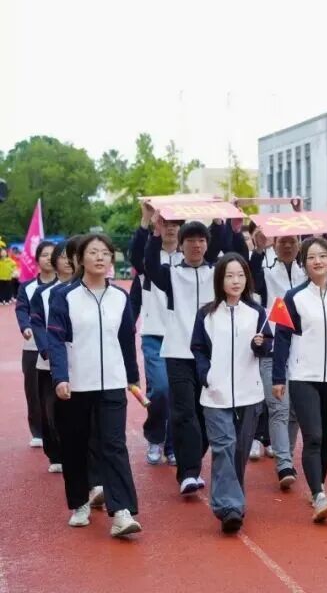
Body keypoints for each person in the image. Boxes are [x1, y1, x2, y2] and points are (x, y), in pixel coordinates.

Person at [46, 235, 142, 537]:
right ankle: (79, 503)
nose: (100, 257)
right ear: (81, 259)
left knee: (114, 445)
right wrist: (60, 377)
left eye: (105, 253)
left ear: (111, 260)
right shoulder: (65, 296)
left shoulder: (120, 297)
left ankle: (122, 512)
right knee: (75, 445)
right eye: (93, 252)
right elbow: (55, 340)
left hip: (112, 383)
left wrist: (132, 377)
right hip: (76, 384)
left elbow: (126, 340)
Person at [143, 216, 235, 496]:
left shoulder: (217, 273)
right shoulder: (170, 274)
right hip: (178, 353)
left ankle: (190, 460)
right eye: (191, 240)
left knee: (205, 413)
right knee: (184, 413)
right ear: (180, 245)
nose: (196, 245)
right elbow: (148, 263)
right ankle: (189, 473)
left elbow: (230, 250)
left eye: (201, 240)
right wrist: (154, 232)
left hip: (212, 355)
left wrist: (220, 223)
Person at [273, 237, 327, 521]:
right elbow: (282, 338)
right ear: (304, 263)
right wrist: (278, 377)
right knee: (313, 436)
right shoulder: (294, 297)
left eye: (322, 256)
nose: (317, 261)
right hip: (304, 376)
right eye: (311, 257)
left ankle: (318, 486)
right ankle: (319, 494)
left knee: (326, 437)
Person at [191, 253, 272, 533]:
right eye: (229, 275)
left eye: (240, 275)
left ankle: (232, 501)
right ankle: (229, 507)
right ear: (220, 280)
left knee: (238, 451)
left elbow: (267, 347)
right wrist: (206, 376)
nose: (235, 281)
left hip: (250, 393)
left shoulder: (257, 312)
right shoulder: (207, 314)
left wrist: (260, 344)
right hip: (215, 394)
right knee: (223, 445)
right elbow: (198, 349)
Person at [250, 232, 304, 489]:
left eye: (292, 241)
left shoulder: (307, 273)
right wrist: (258, 250)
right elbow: (252, 278)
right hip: (272, 349)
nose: (288, 245)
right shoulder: (266, 272)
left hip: (301, 351)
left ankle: (286, 456)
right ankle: (284, 464)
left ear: (299, 244)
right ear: (275, 244)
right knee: (279, 408)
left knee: (294, 411)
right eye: (282, 241)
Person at [129, 203, 181, 466]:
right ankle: (155, 436)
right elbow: (135, 252)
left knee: (178, 393)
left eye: (175, 224)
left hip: (182, 336)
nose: (170, 228)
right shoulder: (148, 257)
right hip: (154, 334)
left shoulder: (188, 259)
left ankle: (172, 445)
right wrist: (146, 220)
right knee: (160, 389)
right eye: (165, 223)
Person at [30, 241, 72, 473]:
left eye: (72, 255)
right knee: (50, 410)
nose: (68, 260)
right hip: (48, 363)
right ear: (55, 261)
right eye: (63, 256)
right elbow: (37, 324)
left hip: (79, 362)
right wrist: (48, 351)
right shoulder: (43, 293)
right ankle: (55, 453)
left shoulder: (83, 290)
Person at [16, 241, 56, 449]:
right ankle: (38, 431)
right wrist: (25, 327)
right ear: (37, 260)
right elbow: (22, 309)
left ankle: (57, 430)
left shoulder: (64, 286)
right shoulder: (27, 287)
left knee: (56, 391)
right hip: (32, 347)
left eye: (52, 254)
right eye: (44, 255)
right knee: (34, 392)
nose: (48, 258)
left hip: (59, 347)